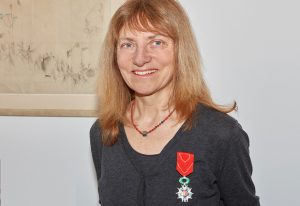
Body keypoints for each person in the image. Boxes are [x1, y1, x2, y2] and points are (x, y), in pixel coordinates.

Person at [90, 0, 260, 205]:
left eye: (157, 42)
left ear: (181, 51)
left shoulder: (221, 135)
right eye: (128, 44)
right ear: (114, 55)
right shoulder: (104, 132)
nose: (140, 58)